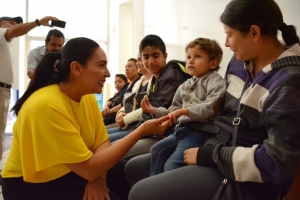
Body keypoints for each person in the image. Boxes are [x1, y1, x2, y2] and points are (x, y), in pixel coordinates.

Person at [125, 0, 300, 199]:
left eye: (229, 35)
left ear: (254, 32)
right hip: (211, 140)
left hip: (238, 167)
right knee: (133, 168)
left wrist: (210, 155)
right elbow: (218, 110)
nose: (226, 43)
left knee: (141, 192)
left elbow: (278, 161)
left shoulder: (289, 80)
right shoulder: (239, 62)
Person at [1, 37, 170, 200]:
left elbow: (101, 141)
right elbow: (89, 168)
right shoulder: (46, 105)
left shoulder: (86, 96)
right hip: (31, 183)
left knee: (124, 178)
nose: (109, 73)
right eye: (101, 65)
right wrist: (142, 130)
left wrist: (99, 178)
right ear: (77, 68)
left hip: (71, 170)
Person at [149, 37, 226, 176]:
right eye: (188, 56)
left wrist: (184, 111)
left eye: (197, 56)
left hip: (200, 132)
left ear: (213, 63)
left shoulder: (215, 80)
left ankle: (169, 191)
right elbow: (173, 109)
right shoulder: (185, 85)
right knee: (156, 149)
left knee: (172, 164)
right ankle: (155, 186)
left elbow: (211, 107)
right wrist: (154, 110)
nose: (190, 61)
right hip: (181, 130)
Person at [111, 34, 191, 159]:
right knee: (114, 146)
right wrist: (135, 133)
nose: (151, 61)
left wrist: (134, 134)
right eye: (146, 57)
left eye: (156, 55)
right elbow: (147, 110)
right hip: (153, 132)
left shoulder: (171, 76)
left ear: (165, 56)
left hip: (168, 135)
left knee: (115, 149)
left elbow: (158, 113)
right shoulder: (156, 78)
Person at [0, 15, 57, 175]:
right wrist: (38, 22)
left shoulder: (5, 45)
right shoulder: (2, 34)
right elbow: (31, 73)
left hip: (4, 90)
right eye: (11, 24)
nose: (13, 27)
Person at [107, 52, 153, 142]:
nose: (138, 63)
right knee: (100, 137)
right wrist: (120, 113)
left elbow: (147, 108)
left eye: (140, 60)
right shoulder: (138, 83)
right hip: (128, 124)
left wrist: (124, 118)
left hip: (137, 126)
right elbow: (127, 103)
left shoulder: (153, 82)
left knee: (106, 141)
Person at [102, 58, 141, 127]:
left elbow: (125, 104)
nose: (126, 69)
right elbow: (113, 98)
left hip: (118, 117)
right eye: (126, 67)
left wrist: (109, 111)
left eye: (130, 66)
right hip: (110, 114)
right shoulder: (126, 85)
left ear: (138, 68)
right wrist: (106, 106)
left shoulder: (138, 84)